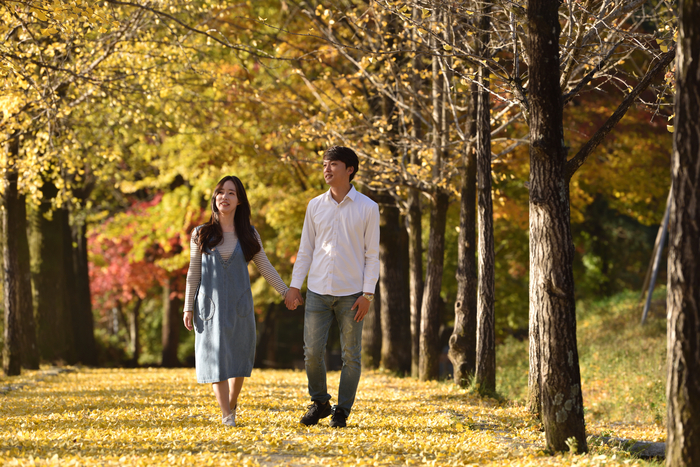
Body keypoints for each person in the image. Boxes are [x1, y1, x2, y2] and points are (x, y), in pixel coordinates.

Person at [183, 175, 296, 427]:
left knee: (238, 358)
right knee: (215, 359)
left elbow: (265, 267)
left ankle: (232, 404)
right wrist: (188, 306)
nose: (225, 197)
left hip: (239, 306)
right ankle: (226, 416)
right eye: (221, 192)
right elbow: (194, 272)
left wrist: (285, 291)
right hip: (209, 308)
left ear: (239, 201)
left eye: (231, 193)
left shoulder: (249, 234)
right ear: (215, 197)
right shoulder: (200, 234)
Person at [285, 146, 380, 428]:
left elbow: (371, 255)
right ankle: (321, 402)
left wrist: (368, 294)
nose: (326, 169)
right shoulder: (315, 205)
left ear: (350, 169)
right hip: (317, 290)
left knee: (351, 355)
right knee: (312, 352)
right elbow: (305, 250)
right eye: (325, 164)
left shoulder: (368, 207)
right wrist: (294, 286)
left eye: (333, 164)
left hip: (352, 295)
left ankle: (343, 410)